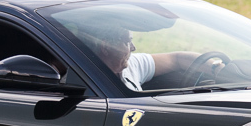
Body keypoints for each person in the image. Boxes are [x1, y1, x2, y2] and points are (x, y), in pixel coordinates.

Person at [82, 25, 222, 91]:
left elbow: (177, 59)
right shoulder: (84, 77)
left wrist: (218, 69)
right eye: (127, 42)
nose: (133, 47)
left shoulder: (131, 65)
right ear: (106, 47)